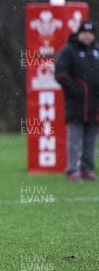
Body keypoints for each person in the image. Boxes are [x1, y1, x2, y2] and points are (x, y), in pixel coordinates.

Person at [55, 20, 99, 181]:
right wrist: (78, 90)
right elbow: (60, 74)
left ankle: (88, 169)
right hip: (76, 105)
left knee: (90, 140)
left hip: (95, 106)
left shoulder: (96, 51)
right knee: (75, 140)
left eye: (90, 33)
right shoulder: (68, 51)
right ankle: (72, 169)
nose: (87, 36)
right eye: (84, 32)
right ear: (79, 33)